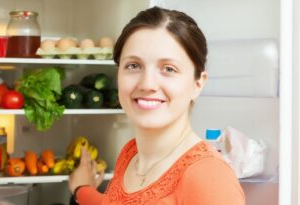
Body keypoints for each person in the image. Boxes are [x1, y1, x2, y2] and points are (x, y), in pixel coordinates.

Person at [68, 6, 245, 205]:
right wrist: (81, 190)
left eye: (168, 69)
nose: (147, 84)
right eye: (133, 66)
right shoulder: (131, 155)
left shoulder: (210, 178)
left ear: (198, 84)